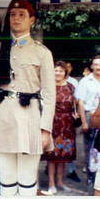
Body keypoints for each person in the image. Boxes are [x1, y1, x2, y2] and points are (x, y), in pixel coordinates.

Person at [0, 0, 56, 196]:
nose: (16, 18)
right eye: (13, 14)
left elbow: (49, 94)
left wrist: (46, 129)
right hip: (0, 118)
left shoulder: (42, 53)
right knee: (6, 181)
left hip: (29, 118)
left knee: (28, 181)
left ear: (32, 20)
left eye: (22, 15)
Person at [45, 61, 77, 195]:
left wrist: (76, 114)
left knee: (64, 155)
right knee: (52, 156)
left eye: (61, 71)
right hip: (52, 124)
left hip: (68, 125)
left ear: (65, 73)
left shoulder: (71, 87)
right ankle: (51, 184)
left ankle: (60, 182)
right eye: (55, 70)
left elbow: (75, 104)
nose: (58, 73)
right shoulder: (47, 87)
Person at [76, 55, 100, 193]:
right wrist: (84, 122)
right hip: (91, 119)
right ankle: (92, 187)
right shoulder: (85, 81)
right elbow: (81, 102)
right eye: (95, 64)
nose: (98, 67)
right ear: (91, 66)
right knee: (92, 154)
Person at [65, 62, 81, 183]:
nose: (67, 69)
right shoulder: (52, 78)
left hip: (69, 117)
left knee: (70, 144)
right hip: (55, 117)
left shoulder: (74, 82)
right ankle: (49, 170)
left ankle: (71, 170)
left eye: (69, 66)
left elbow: (77, 100)